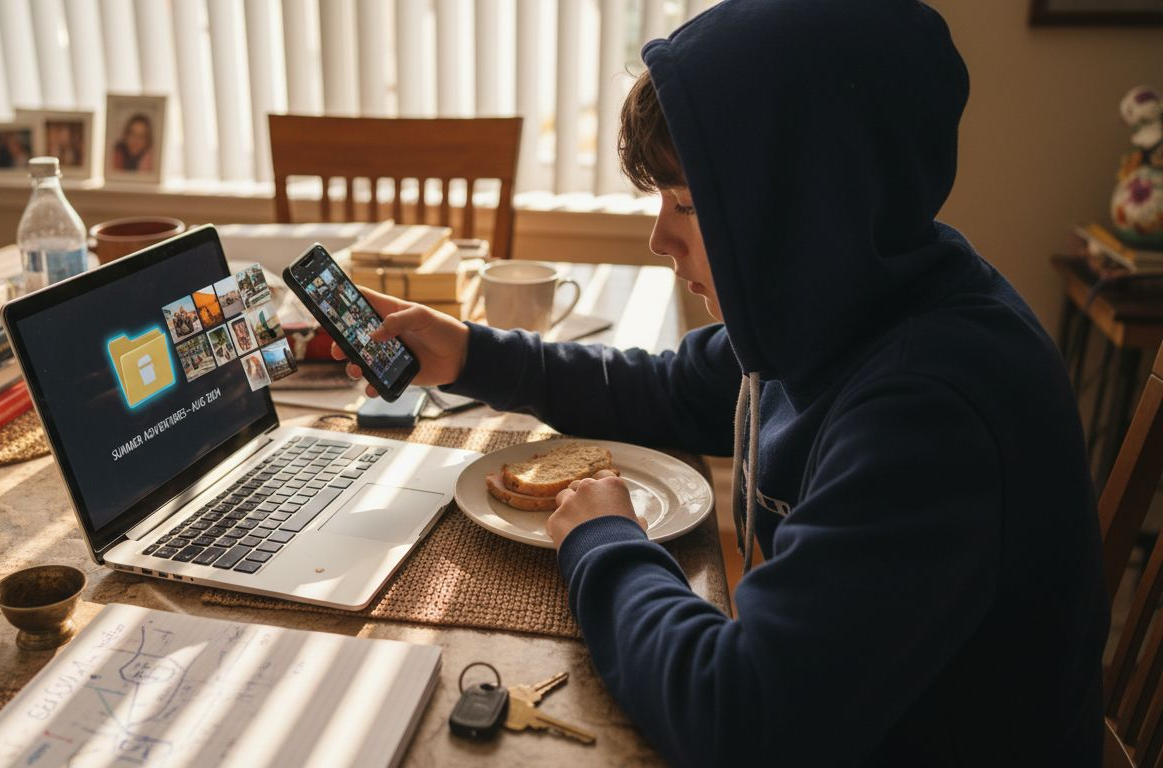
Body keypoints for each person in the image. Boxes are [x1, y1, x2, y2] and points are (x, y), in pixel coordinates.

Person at [335, 1, 1107, 765]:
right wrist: (471, 354)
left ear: (803, 205)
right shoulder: (840, 302)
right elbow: (669, 390)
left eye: (686, 204)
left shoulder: (931, 414)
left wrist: (604, 540)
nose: (659, 238)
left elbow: (736, 717)